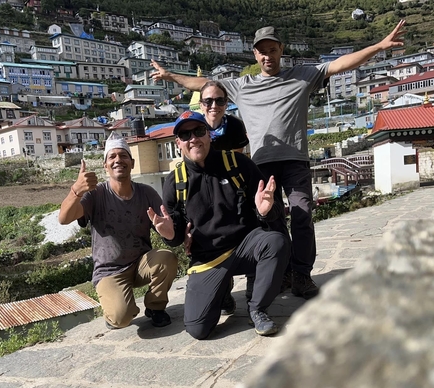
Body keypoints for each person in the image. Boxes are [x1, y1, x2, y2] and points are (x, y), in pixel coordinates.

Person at [151, 20, 406, 300]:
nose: (267, 56)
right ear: (255, 55)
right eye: (262, 52)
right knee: (270, 221)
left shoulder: (302, 76)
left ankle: (302, 274)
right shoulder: (241, 86)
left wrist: (380, 46)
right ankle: (281, 271)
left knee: (302, 215)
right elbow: (204, 85)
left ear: (280, 50)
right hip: (260, 165)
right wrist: (171, 76)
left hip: (295, 161)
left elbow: (340, 64)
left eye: (272, 50)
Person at [148, 111, 289, 340]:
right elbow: (175, 236)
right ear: (178, 143)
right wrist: (168, 233)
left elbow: (270, 209)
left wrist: (266, 211)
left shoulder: (236, 164)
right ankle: (222, 292)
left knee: (276, 241)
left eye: (199, 131)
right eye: (185, 134)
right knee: (198, 329)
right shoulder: (176, 181)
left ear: (209, 135)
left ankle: (257, 308)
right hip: (208, 259)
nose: (193, 138)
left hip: (245, 246)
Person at [58, 138, 178, 329]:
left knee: (167, 258)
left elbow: (170, 234)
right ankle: (118, 307)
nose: (118, 160)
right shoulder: (95, 195)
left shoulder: (147, 193)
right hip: (109, 271)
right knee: (121, 318)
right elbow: (64, 219)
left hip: (141, 264)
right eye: (112, 156)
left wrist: (166, 231)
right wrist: (76, 191)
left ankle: (155, 306)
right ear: (105, 165)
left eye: (123, 155)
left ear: (132, 163)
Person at [198, 80, 249, 152]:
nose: (214, 106)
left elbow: (237, 158)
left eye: (220, 100)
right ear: (201, 105)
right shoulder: (193, 126)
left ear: (226, 104)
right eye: (208, 101)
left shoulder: (235, 125)